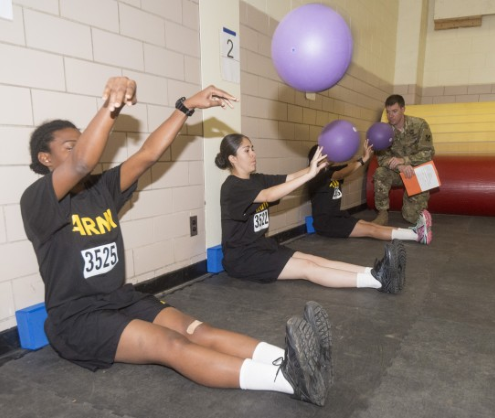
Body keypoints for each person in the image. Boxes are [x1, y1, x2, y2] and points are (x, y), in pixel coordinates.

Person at [20, 76, 332, 406]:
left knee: (198, 331)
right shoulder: (38, 201)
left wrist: (187, 106)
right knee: (172, 345)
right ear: (46, 159)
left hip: (121, 299)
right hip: (79, 318)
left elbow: (149, 153)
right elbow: (82, 160)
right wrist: (111, 107)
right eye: (70, 146)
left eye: (82, 141)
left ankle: (295, 358)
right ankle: (289, 380)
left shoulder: (101, 189)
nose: (83, 148)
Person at [215, 133, 406, 294]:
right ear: (232, 158)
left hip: (261, 246)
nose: (253, 154)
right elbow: (269, 194)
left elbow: (289, 178)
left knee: (314, 259)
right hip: (242, 258)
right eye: (247, 150)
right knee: (308, 268)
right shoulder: (232, 187)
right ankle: (379, 282)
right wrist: (310, 175)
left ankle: (375, 272)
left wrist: (316, 167)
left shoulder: (256, 179)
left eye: (253, 148)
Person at [307, 141, 432, 244]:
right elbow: (341, 173)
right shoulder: (315, 175)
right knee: (371, 230)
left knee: (372, 226)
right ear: (317, 159)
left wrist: (361, 157)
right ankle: (416, 236)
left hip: (338, 216)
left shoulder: (330, 171)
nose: (329, 156)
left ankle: (415, 232)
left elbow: (348, 166)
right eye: (325, 154)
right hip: (327, 224)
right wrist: (363, 160)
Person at [372, 94, 435, 231]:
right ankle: (382, 213)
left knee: (410, 217)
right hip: (398, 172)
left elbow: (429, 153)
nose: (391, 116)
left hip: (417, 172)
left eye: (394, 111)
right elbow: (382, 158)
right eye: (388, 112)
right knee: (380, 172)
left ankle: (416, 211)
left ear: (403, 109)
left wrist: (405, 161)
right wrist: (401, 166)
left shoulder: (419, 125)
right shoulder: (385, 132)